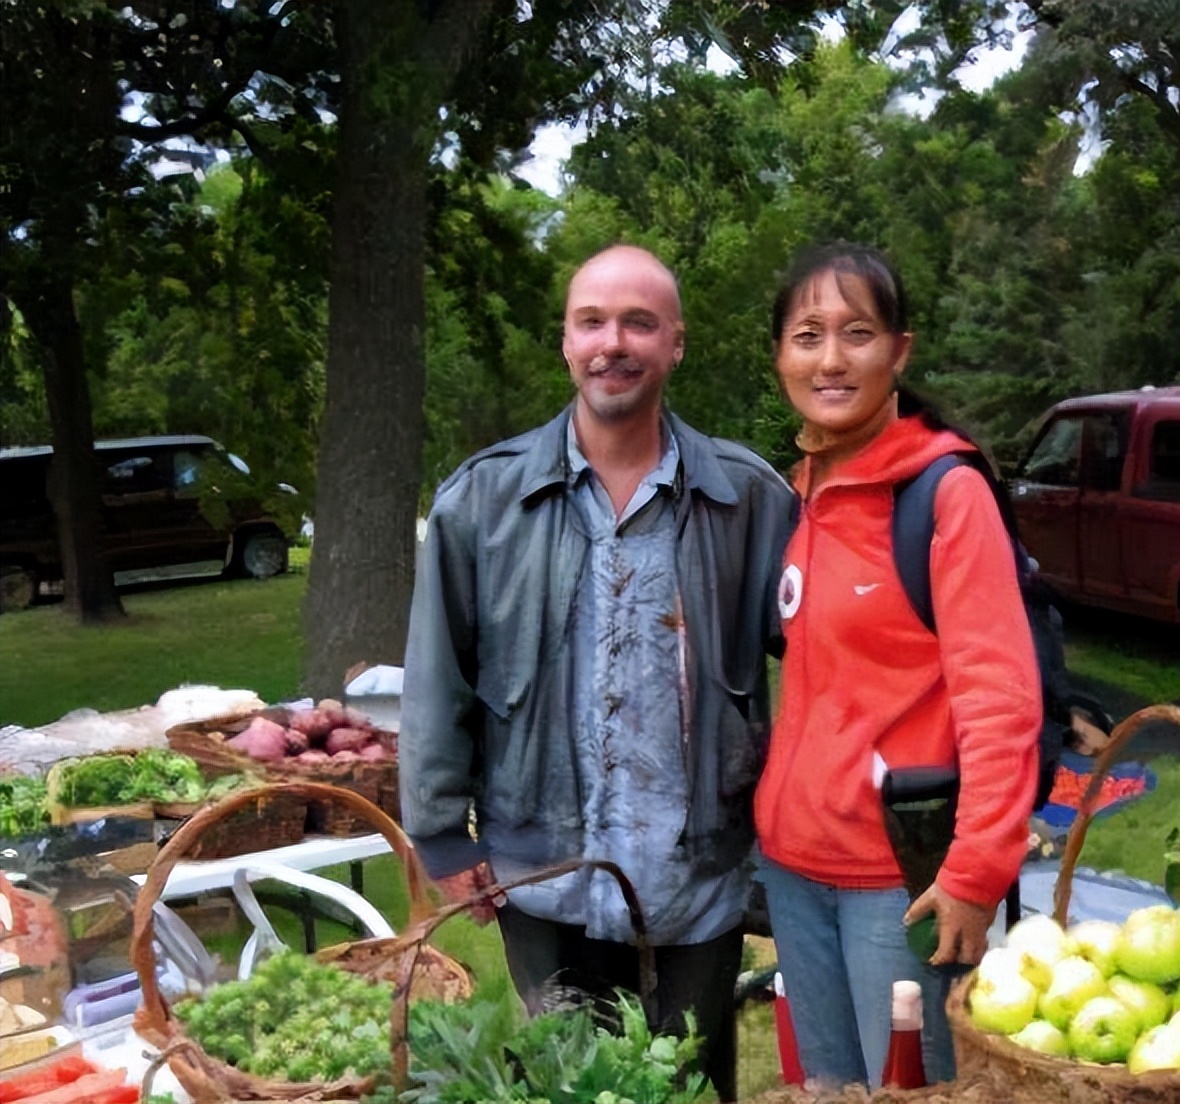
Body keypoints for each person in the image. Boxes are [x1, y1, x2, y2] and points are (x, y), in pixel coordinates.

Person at [398, 244, 796, 1102]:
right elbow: (439, 674)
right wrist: (437, 829)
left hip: (696, 878)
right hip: (542, 873)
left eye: (639, 323)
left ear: (676, 344)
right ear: (567, 342)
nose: (613, 342)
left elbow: (828, 658)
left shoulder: (748, 499)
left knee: (689, 1087)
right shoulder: (483, 501)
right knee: (568, 1086)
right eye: (593, 322)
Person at [753, 242, 1042, 1089]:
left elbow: (1001, 700)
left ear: (899, 352)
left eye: (857, 333)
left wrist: (976, 872)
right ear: (780, 355)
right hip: (795, 866)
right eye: (808, 335)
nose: (831, 358)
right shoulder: (801, 492)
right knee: (828, 1089)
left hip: (902, 883)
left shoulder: (945, 494)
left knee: (912, 1088)